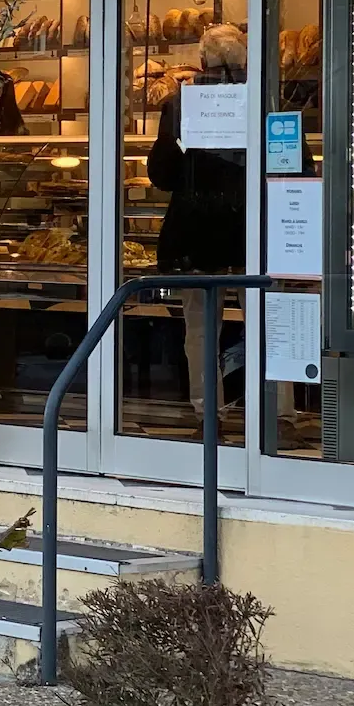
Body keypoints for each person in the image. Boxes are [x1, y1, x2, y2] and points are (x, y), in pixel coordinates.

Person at [145, 23, 248, 414]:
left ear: (202, 61)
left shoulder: (180, 105)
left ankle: (208, 414)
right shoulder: (262, 99)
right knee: (268, 327)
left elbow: (162, 175)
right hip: (250, 232)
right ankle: (277, 417)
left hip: (197, 235)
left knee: (202, 332)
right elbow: (295, 164)